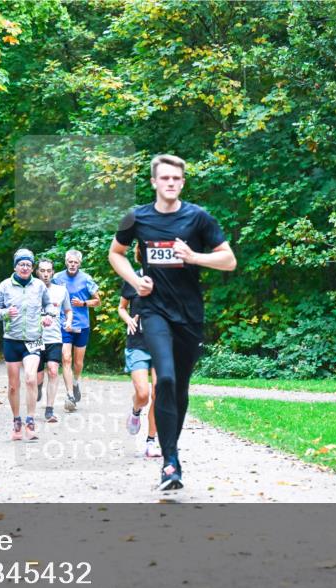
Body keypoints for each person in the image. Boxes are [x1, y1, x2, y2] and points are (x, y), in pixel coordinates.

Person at [109, 154, 236, 491]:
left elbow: (229, 259)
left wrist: (195, 257)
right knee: (163, 378)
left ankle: (170, 452)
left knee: (179, 388)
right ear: (153, 182)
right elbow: (115, 253)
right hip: (153, 311)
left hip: (190, 315)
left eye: (176, 179)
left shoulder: (198, 218)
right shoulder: (136, 218)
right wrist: (136, 284)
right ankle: (169, 463)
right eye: (164, 178)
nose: (170, 183)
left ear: (182, 182)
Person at [0, 249, 53, 441]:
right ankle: (17, 421)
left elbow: (48, 305)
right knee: (13, 386)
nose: (25, 267)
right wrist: (5, 313)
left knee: (31, 379)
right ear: (15, 266)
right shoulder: (5, 286)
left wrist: (49, 316)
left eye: (28, 264)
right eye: (21, 264)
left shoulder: (40, 286)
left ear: (32, 268)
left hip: (33, 339)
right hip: (12, 339)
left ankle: (30, 420)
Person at [118, 244, 159, 458]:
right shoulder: (133, 279)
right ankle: (136, 410)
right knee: (143, 393)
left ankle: (151, 442)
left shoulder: (169, 281)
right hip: (138, 343)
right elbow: (121, 307)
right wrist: (129, 321)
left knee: (159, 394)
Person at [53, 249, 101, 412]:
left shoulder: (87, 279)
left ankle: (76, 382)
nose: (72, 265)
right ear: (66, 262)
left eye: (75, 262)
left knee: (78, 362)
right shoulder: (57, 278)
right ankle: (69, 395)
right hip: (63, 323)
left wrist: (83, 303)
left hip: (81, 325)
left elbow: (98, 301)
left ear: (80, 263)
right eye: (70, 262)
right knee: (66, 358)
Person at [35, 258, 74, 423]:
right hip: (34, 338)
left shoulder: (61, 291)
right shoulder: (31, 289)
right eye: (42, 271)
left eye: (48, 271)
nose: (45, 274)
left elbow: (68, 310)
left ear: (52, 272)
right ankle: (37, 387)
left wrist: (69, 321)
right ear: (37, 272)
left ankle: (49, 411)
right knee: (36, 376)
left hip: (54, 338)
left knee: (52, 370)